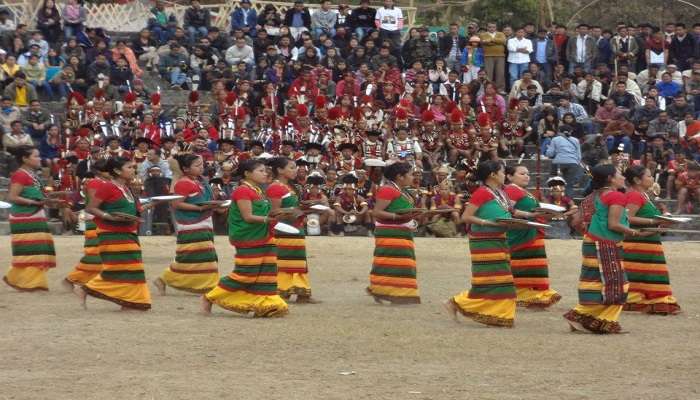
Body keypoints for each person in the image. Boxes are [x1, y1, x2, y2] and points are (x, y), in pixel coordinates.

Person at [201, 159, 289, 317]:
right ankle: (210, 297)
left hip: (264, 234)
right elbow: (248, 217)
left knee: (266, 272)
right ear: (247, 174)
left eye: (265, 170)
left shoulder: (258, 190)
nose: (265, 173)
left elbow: (264, 212)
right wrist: (268, 219)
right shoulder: (242, 191)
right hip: (249, 236)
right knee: (246, 273)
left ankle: (265, 304)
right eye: (260, 171)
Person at [564, 164, 642, 334]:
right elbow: (614, 225)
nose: (623, 177)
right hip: (606, 244)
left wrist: (590, 232)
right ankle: (587, 317)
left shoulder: (591, 197)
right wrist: (633, 232)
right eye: (620, 174)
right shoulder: (616, 196)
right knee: (618, 285)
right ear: (610, 179)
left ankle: (585, 319)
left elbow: (576, 222)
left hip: (591, 242)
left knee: (593, 283)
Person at [444, 160, 520, 327]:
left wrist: (532, 215)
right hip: (484, 240)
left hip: (499, 238)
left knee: (500, 280)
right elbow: (466, 217)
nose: (504, 175)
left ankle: (494, 313)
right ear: (492, 175)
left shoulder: (500, 192)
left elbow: (511, 211)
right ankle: (459, 303)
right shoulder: (482, 193)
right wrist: (488, 223)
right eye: (502, 171)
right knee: (491, 280)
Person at [74, 157, 153, 310]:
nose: (133, 170)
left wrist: (156, 202)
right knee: (122, 268)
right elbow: (91, 208)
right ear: (117, 171)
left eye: (133, 167)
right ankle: (88, 290)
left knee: (130, 268)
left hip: (128, 231)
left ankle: (127, 300)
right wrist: (108, 216)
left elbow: (137, 210)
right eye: (129, 167)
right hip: (111, 233)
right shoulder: (108, 187)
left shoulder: (128, 188)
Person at [154, 154, 220, 295]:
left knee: (193, 256)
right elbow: (176, 203)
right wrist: (200, 208)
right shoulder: (184, 182)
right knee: (201, 255)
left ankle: (164, 279)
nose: (201, 168)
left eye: (202, 164)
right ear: (185, 169)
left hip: (204, 222)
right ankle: (210, 286)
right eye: (197, 165)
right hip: (191, 224)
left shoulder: (200, 181)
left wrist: (216, 205)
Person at [621, 165, 681, 315]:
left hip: (648, 242)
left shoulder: (643, 195)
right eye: (648, 176)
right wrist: (654, 222)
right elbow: (627, 217)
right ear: (637, 180)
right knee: (649, 273)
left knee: (647, 274)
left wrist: (661, 221)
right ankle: (652, 302)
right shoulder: (635, 195)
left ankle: (640, 300)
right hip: (639, 243)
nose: (652, 178)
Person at [504, 165, 561, 308]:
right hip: (522, 231)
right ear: (510, 176)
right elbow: (508, 210)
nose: (526, 176)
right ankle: (530, 294)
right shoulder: (511, 189)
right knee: (528, 265)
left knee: (532, 265)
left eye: (528, 173)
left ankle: (531, 294)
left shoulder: (522, 191)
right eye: (522, 173)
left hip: (531, 230)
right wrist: (530, 215)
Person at [3, 146, 57, 291]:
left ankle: (21, 279)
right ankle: (30, 282)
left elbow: (39, 194)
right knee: (32, 249)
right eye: (36, 156)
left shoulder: (31, 174)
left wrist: (51, 200)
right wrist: (34, 202)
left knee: (36, 248)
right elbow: (12, 197)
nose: (39, 158)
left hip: (34, 213)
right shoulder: (20, 174)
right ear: (25, 159)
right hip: (25, 216)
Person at [367, 161, 422, 304]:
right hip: (390, 232)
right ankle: (395, 293)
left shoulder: (401, 190)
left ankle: (386, 291)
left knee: (397, 263)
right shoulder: (388, 190)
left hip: (401, 232)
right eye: (410, 175)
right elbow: (376, 212)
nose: (413, 177)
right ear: (400, 177)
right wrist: (397, 217)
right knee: (393, 263)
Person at [267, 157, 318, 303]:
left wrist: (304, 207)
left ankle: (301, 292)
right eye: (291, 167)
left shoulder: (288, 186)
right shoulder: (276, 187)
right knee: (287, 261)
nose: (296, 170)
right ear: (280, 170)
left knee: (298, 260)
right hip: (284, 229)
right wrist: (296, 210)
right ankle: (284, 290)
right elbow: (273, 212)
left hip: (294, 226)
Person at [63, 159, 109, 287]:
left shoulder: (103, 182)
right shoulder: (94, 183)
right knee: (94, 253)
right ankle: (73, 278)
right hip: (95, 220)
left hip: (100, 219)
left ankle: (85, 279)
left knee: (100, 253)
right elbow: (93, 205)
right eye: (108, 169)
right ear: (100, 171)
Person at [545, 125, 583, 198]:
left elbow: (550, 153)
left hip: (558, 163)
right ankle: (569, 202)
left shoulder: (555, 139)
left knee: (554, 183)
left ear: (559, 131)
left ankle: (553, 201)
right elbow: (579, 156)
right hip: (573, 163)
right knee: (569, 184)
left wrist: (548, 149)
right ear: (571, 131)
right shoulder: (575, 140)